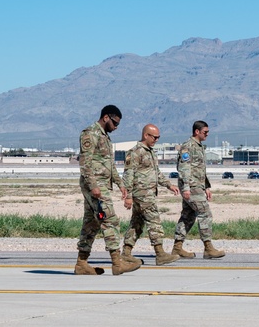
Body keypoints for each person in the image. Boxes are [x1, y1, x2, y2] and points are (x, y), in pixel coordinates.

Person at [75, 105, 140, 276]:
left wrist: (120, 184)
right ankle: (117, 263)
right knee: (110, 220)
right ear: (106, 118)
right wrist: (94, 186)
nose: (116, 127)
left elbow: (109, 166)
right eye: (115, 123)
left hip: (102, 185)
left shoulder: (105, 137)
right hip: (95, 186)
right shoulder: (90, 134)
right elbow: (85, 163)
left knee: (91, 224)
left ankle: (81, 263)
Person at [121, 124, 181, 266]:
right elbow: (128, 175)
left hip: (148, 193)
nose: (156, 140)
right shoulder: (135, 152)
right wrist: (128, 196)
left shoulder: (151, 152)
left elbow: (156, 173)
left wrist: (168, 185)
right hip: (142, 194)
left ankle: (126, 253)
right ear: (146, 135)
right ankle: (160, 254)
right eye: (154, 137)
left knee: (137, 224)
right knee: (154, 222)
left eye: (158, 137)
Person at [173, 120, 225, 259]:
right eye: (205, 132)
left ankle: (177, 247)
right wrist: (185, 188)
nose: (207, 135)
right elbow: (184, 168)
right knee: (205, 213)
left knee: (188, 216)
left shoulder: (199, 146)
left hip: (197, 186)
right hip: (191, 186)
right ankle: (208, 248)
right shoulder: (188, 146)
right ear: (197, 131)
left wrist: (207, 187)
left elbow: (200, 169)